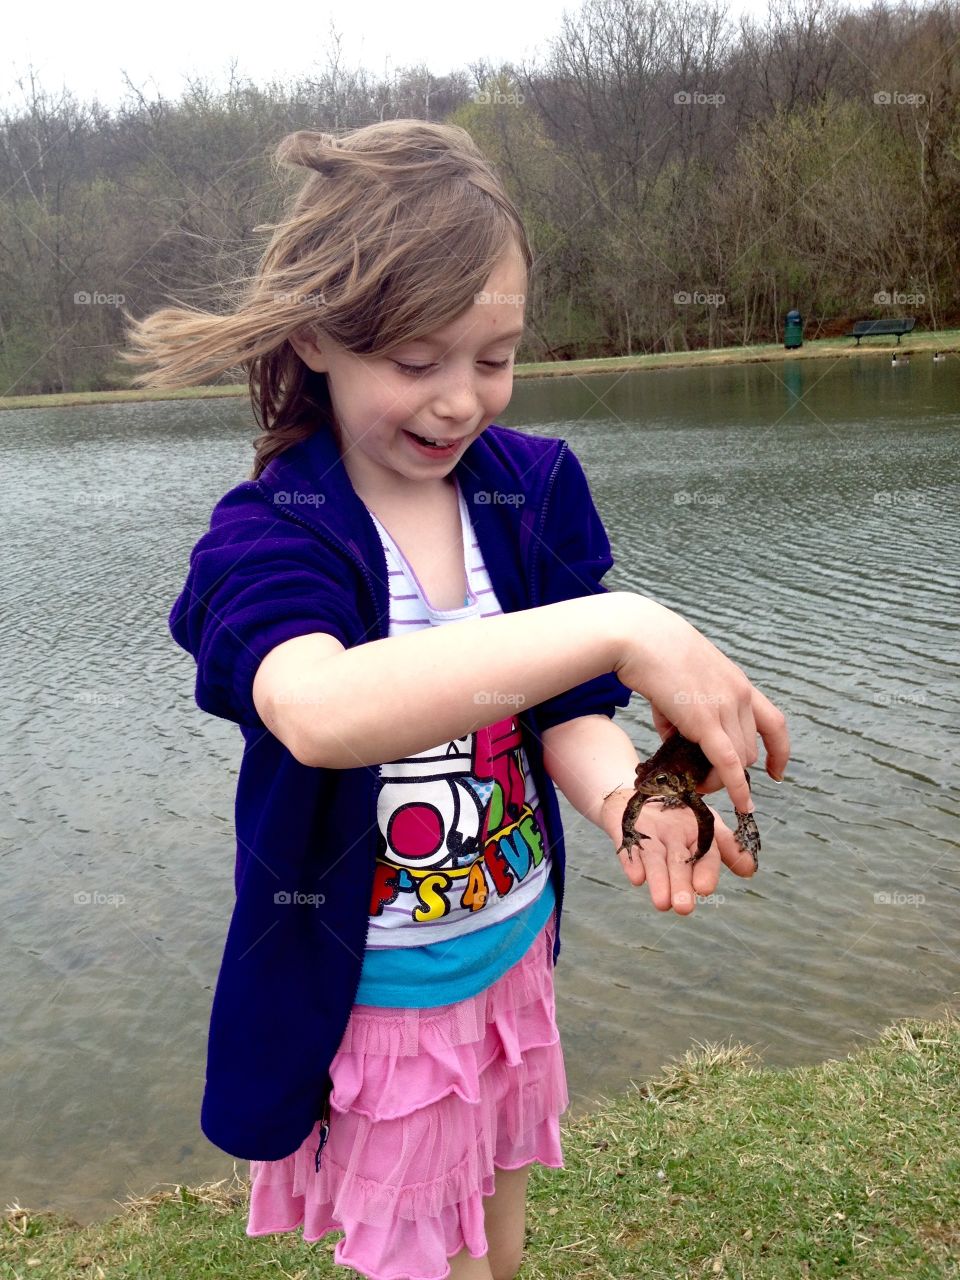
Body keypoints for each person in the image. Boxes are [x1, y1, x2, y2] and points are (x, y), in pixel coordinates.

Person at [122, 119, 789, 1280]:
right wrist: (627, 620)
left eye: (494, 356)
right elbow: (323, 709)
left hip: (509, 953)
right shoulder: (271, 535)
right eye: (418, 361)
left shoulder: (534, 489)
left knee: (501, 1239)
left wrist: (635, 796)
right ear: (323, 335)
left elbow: (567, 713)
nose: (459, 401)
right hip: (378, 999)